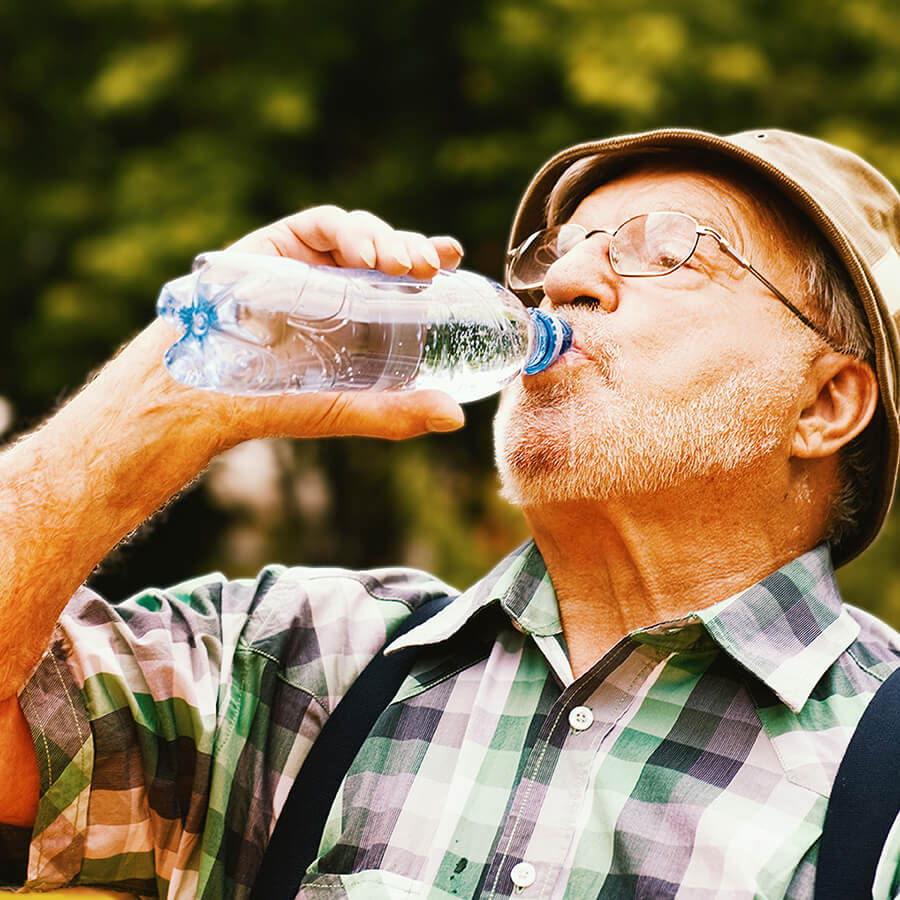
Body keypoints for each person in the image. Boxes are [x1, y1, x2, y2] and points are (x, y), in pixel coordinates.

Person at [2, 127, 900, 899]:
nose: (565, 279)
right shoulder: (306, 662)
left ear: (824, 405)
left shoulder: (882, 774)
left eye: (668, 248)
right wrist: (171, 393)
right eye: (559, 251)